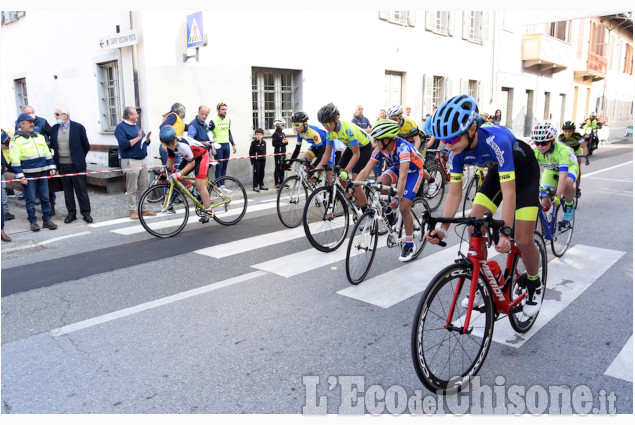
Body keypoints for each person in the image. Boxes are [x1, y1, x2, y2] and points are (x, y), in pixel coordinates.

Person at [425, 94, 542, 317]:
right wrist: (442, 229)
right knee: (473, 226)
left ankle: (534, 284)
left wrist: (506, 231)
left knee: (524, 239)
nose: (448, 145)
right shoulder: (456, 153)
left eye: (452, 139)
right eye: (444, 141)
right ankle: (485, 280)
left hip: (525, 173)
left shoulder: (494, 140)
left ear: (471, 130)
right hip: (499, 173)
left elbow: (509, 194)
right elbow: (454, 194)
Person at [355, 119, 425, 261]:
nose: (374, 142)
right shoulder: (380, 148)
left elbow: (403, 177)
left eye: (376, 139)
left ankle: (410, 244)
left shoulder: (403, 148)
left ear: (386, 140)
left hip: (413, 172)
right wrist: (355, 184)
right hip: (399, 168)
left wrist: (397, 200)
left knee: (404, 207)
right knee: (380, 182)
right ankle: (390, 213)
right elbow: (367, 169)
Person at [316, 102, 372, 208]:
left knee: (356, 181)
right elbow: (327, 154)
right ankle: (354, 195)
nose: (326, 127)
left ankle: (366, 212)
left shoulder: (348, 129)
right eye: (323, 124)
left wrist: (346, 171)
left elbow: (356, 154)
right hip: (351, 147)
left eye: (327, 124)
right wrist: (317, 173)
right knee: (339, 174)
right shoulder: (330, 132)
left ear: (336, 119)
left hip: (364, 148)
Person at [9, 113, 58, 231]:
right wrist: (21, 176)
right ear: (21, 124)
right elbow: (15, 160)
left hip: (42, 173)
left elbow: (47, 153)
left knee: (45, 198)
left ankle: (47, 220)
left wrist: (52, 167)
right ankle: (33, 221)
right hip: (28, 176)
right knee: (30, 200)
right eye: (30, 122)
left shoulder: (39, 137)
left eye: (33, 122)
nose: (32, 124)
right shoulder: (16, 141)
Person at [159, 126, 216, 222]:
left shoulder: (182, 145)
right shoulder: (170, 147)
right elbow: (170, 160)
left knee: (199, 185)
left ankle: (209, 211)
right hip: (190, 158)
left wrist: (179, 173)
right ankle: (196, 193)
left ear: (175, 137)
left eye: (172, 141)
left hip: (201, 156)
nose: (171, 145)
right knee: (177, 177)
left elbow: (192, 163)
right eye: (168, 143)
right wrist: (164, 172)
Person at [49, 107, 92, 224]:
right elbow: (53, 145)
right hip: (62, 165)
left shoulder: (78, 127)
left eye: (57, 114)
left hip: (76, 165)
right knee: (67, 191)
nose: (55, 117)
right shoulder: (54, 129)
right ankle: (71, 214)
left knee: (81, 190)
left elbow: (86, 145)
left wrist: (79, 157)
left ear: (65, 115)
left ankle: (86, 213)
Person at [531, 121, 578, 222]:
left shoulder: (561, 151)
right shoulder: (535, 152)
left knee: (566, 184)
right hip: (551, 170)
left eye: (544, 143)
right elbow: (529, 174)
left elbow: (563, 176)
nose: (540, 146)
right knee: (544, 203)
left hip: (570, 167)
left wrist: (558, 195)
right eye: (537, 143)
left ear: (552, 140)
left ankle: (569, 205)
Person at [114, 106, 155, 220]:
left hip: (142, 159)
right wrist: (138, 138)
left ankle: (144, 208)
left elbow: (144, 140)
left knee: (143, 185)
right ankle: (132, 210)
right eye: (135, 114)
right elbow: (124, 145)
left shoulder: (136, 125)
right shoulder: (120, 128)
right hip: (130, 160)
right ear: (129, 115)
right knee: (132, 188)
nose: (137, 115)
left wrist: (146, 139)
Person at [387, 105, 437, 195]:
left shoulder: (409, 123)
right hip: (407, 143)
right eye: (390, 119)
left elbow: (417, 140)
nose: (392, 121)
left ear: (400, 117)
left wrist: (413, 154)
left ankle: (431, 181)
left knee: (417, 165)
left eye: (394, 119)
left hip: (419, 142)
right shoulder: (393, 126)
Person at [14, 106, 51, 201]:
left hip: (42, 165)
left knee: (46, 195)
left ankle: (48, 211)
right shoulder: (19, 124)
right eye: (28, 113)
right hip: (28, 169)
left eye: (32, 112)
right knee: (30, 197)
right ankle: (32, 215)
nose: (31, 114)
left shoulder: (42, 121)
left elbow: (51, 134)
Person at [558, 120, 589, 191]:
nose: (567, 133)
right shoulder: (561, 136)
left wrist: (586, 157)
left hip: (576, 150)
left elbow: (584, 147)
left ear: (573, 131)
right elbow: (558, 148)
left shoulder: (577, 135)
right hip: (567, 150)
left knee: (578, 166)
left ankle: (578, 186)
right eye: (565, 131)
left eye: (569, 131)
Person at [209, 102, 236, 181]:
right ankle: (218, 185)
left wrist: (233, 144)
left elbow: (229, 132)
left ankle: (222, 186)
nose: (225, 111)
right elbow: (209, 135)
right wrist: (212, 147)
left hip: (226, 145)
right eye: (223, 109)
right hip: (218, 145)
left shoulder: (228, 120)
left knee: (224, 166)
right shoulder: (213, 121)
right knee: (219, 166)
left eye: (226, 109)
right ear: (218, 110)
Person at [271, 118, 288, 188]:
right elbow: (274, 144)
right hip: (278, 154)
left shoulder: (283, 134)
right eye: (283, 125)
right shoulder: (275, 134)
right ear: (278, 125)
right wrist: (282, 143)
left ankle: (282, 182)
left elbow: (285, 143)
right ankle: (276, 182)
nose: (284, 126)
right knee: (278, 168)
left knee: (282, 167)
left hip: (283, 153)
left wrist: (286, 142)